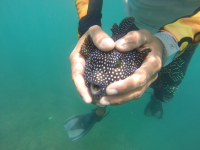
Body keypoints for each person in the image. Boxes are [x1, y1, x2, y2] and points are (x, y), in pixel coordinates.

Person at [64, 0, 200, 141]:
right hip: (138, 26)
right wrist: (89, 23)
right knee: (108, 89)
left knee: (170, 80)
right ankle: (99, 111)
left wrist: (167, 40)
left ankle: (158, 98)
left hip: (185, 34)